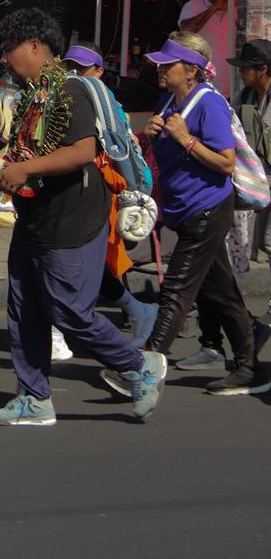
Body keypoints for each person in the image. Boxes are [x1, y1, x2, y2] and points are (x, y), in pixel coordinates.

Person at [0, 8, 165, 426]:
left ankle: (137, 366)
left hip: (72, 222)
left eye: (8, 51)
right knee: (24, 309)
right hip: (35, 221)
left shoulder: (70, 92)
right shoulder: (35, 95)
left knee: (70, 312)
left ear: (34, 46)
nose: (4, 61)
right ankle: (34, 398)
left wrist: (26, 169)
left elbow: (83, 151)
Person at [100, 32, 268, 397]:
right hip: (184, 211)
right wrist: (151, 135)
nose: (159, 68)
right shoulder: (168, 103)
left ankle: (143, 368)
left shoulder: (209, 104)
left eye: (167, 63)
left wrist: (185, 139)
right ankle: (246, 368)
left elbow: (225, 163)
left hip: (207, 209)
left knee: (175, 290)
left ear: (191, 70)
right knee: (221, 294)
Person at [57, 42, 160, 352]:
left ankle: (125, 353)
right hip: (80, 193)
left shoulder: (103, 101)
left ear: (99, 72)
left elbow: (119, 153)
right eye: (69, 67)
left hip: (100, 194)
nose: (74, 73)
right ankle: (133, 312)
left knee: (76, 263)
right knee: (85, 263)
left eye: (82, 68)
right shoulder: (71, 96)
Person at [231, 40, 271, 316]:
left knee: (270, 242)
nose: (242, 73)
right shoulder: (244, 97)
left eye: (247, 68)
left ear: (263, 69)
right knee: (252, 242)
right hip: (255, 182)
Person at [179, 0, 230, 96]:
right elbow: (185, 32)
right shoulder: (193, 6)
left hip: (231, 90)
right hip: (202, 89)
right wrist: (214, 8)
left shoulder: (235, 10)